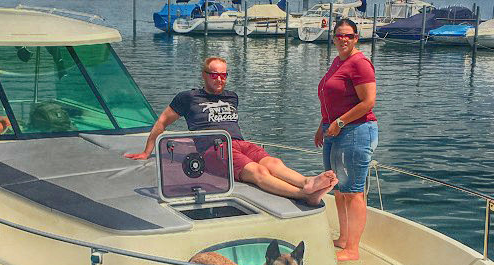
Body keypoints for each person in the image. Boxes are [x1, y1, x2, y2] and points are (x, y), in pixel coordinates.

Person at [125, 56, 336, 205]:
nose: (220, 80)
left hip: (241, 143)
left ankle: (306, 182)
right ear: (204, 75)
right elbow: (162, 121)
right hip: (214, 148)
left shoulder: (232, 96)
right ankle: (303, 195)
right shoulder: (188, 98)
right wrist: (147, 151)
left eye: (223, 76)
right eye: (214, 75)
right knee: (258, 171)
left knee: (273, 163)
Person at [314, 19, 378, 261]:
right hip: (333, 130)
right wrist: (321, 126)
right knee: (338, 189)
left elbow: (368, 102)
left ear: (356, 38)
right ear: (333, 38)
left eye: (348, 36)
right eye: (339, 36)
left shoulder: (360, 63)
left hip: (355, 131)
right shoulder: (338, 61)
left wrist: (339, 123)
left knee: (353, 192)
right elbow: (331, 98)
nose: (343, 39)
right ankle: (343, 238)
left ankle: (353, 248)